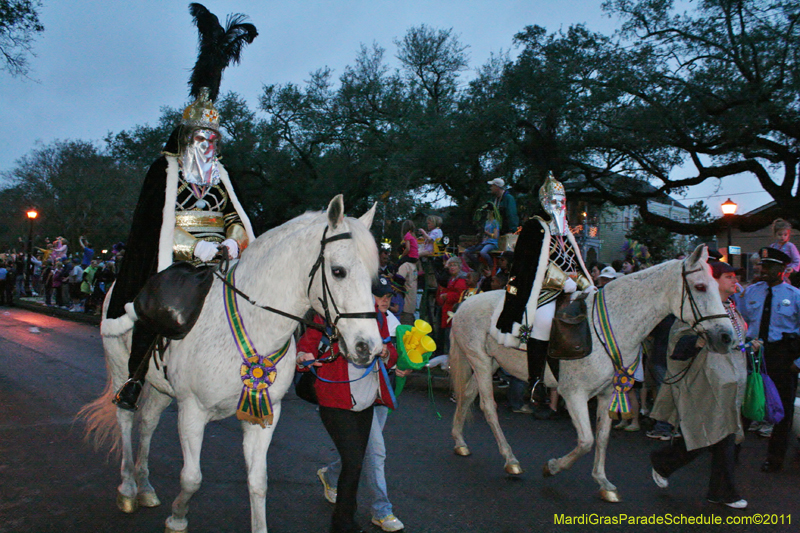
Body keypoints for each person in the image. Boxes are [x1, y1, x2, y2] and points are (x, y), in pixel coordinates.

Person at [107, 5, 258, 411]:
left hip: (220, 258)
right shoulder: (165, 170)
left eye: (213, 138)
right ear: (186, 137)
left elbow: (236, 219)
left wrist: (229, 245)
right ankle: (135, 378)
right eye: (200, 138)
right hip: (174, 260)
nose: (207, 145)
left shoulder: (222, 175)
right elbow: (153, 224)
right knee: (161, 304)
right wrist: (191, 250)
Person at [298, 277, 402, 533]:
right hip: (334, 399)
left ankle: (342, 506)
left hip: (366, 399)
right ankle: (344, 523)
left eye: (389, 297)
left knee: (353, 462)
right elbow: (305, 347)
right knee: (356, 461)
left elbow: (391, 353)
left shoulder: (379, 319)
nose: (386, 301)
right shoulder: (329, 316)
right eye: (381, 296)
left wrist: (387, 354)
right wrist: (304, 357)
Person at [650, 260, 748, 509]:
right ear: (714, 281)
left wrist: (750, 343)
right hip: (707, 381)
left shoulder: (731, 306)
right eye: (728, 276)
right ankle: (722, 491)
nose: (734, 280)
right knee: (712, 434)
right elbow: (678, 340)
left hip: (730, 380)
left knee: (716, 435)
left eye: (735, 276)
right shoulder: (699, 307)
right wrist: (696, 342)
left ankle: (669, 464)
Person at [495, 172, 594, 404]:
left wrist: (585, 283)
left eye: (561, 201)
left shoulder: (567, 232)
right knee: (544, 320)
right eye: (554, 201)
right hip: (543, 289)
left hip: (572, 288)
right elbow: (531, 262)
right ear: (545, 202)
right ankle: (536, 380)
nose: (558, 205)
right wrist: (562, 281)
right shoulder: (534, 227)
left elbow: (575, 261)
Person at [735, 247, 800, 473]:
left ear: (782, 269)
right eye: (764, 265)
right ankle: (731, 454)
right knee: (744, 405)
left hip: (782, 355)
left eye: (771, 266)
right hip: (754, 353)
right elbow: (739, 319)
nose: (765, 270)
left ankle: (775, 459)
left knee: (782, 410)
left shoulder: (794, 296)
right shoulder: (750, 292)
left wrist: (797, 363)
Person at [437, 256, 468, 354]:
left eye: (454, 265)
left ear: (459, 266)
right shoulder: (452, 278)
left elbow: (460, 294)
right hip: (448, 310)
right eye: (450, 265)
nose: (452, 268)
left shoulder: (461, 280)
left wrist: (446, 295)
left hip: (454, 310)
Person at [464, 203, 499, 271]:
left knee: (483, 252)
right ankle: (478, 265)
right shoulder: (486, 222)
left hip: (491, 243)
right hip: (484, 242)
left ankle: (491, 266)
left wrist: (486, 232)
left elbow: (495, 236)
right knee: (467, 251)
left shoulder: (495, 222)